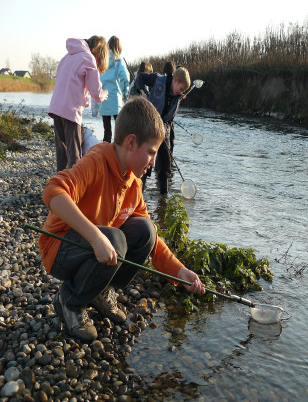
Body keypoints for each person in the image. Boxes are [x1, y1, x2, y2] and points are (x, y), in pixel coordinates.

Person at [38, 97, 205, 343]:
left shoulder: (133, 183)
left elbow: (154, 241)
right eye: (150, 153)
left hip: (94, 248)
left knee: (145, 230)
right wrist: (95, 237)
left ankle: (100, 291)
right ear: (131, 142)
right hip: (59, 250)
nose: (153, 162)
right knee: (115, 239)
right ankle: (71, 301)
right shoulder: (96, 162)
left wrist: (179, 272)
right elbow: (52, 190)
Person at [48, 36, 109, 172]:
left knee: (61, 153)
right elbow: (96, 92)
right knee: (74, 154)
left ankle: (61, 184)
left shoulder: (67, 57)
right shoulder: (88, 58)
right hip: (71, 110)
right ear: (99, 52)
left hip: (56, 108)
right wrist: (103, 95)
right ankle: (74, 188)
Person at [136, 66, 190, 194]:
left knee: (166, 162)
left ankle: (163, 196)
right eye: (181, 89)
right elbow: (141, 77)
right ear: (175, 80)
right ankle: (139, 191)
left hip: (163, 131)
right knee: (147, 160)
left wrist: (167, 133)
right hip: (149, 125)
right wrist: (142, 91)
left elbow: (170, 119)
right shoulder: (157, 79)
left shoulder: (177, 96)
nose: (181, 92)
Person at [99, 36, 130, 143]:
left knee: (107, 132)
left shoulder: (102, 61)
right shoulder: (117, 61)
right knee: (120, 131)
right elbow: (124, 78)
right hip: (116, 100)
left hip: (103, 99)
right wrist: (125, 94)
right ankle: (118, 155)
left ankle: (104, 155)